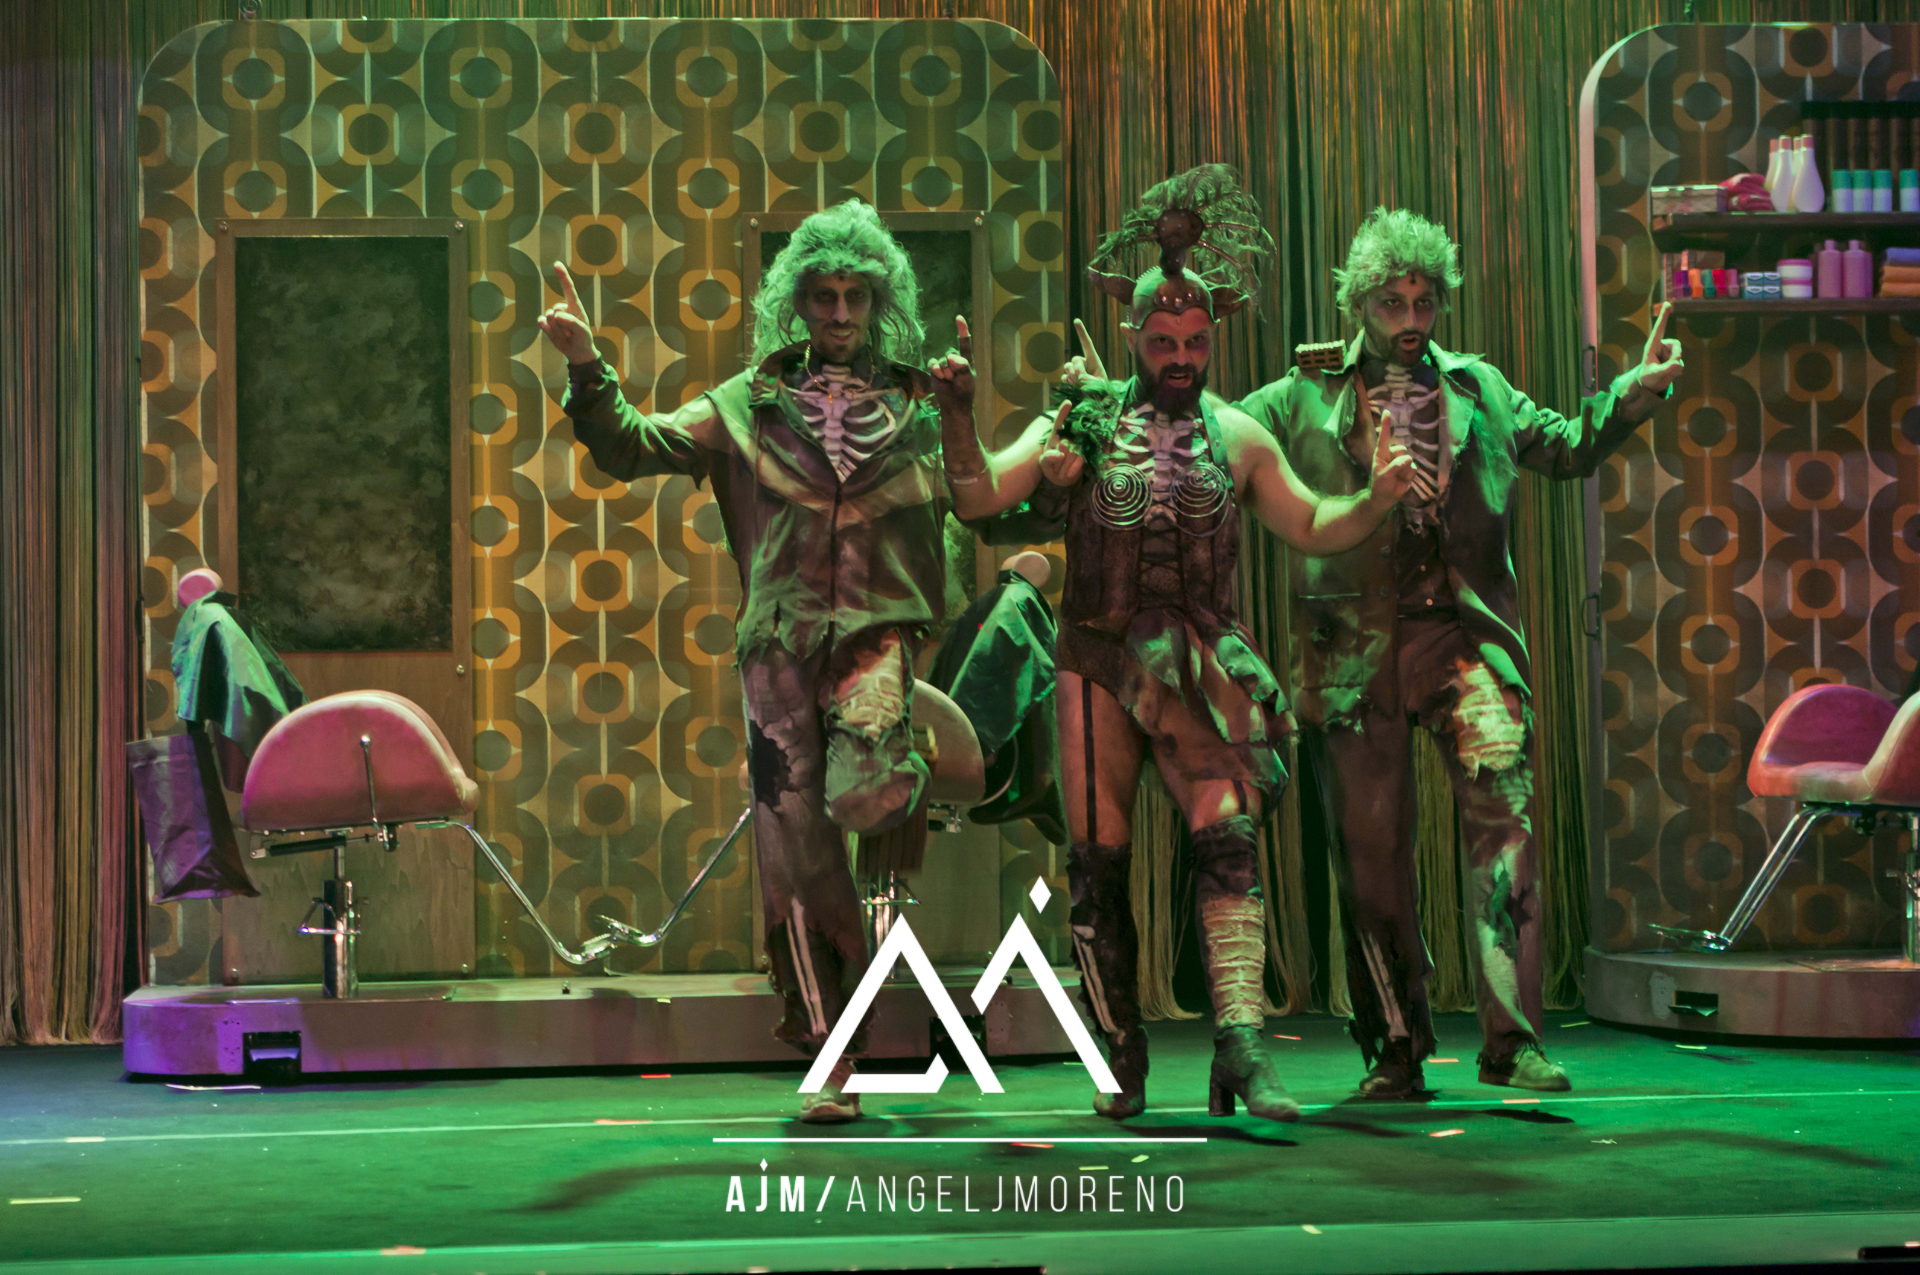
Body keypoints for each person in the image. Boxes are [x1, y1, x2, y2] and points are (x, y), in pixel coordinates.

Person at [932, 166, 1413, 1121]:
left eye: (1195, 342)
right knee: (1097, 855)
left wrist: (1377, 498)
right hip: (1098, 658)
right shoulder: (1080, 423)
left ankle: (1240, 1044)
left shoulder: (1238, 435)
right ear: (1132, 336)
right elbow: (978, 495)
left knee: (1228, 834)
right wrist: (955, 411)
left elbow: (1312, 523)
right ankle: (1120, 1051)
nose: (1181, 357)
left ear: (1212, 338)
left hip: (1200, 657)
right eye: (1163, 342)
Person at [1234, 207, 1683, 1098]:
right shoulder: (1299, 396)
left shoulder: (1480, 387)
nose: (1411, 320)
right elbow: (1214, 439)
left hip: (1462, 635)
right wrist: (1116, 403)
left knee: (1505, 823)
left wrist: (1631, 394)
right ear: (1359, 305)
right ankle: (1395, 1047)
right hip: (1352, 652)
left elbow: (1566, 446)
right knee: (1370, 858)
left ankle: (1513, 1041)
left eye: (1425, 302)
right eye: (1392, 303)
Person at [539, 199, 957, 1123]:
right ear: (797, 303)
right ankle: (832, 1051)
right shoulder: (747, 404)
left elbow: (968, 503)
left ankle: (899, 772)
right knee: (792, 847)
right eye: (823, 296)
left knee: (866, 791)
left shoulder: (916, 405)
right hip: (776, 643)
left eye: (855, 296)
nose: (839, 314)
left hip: (875, 636)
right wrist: (586, 365)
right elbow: (633, 445)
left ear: (878, 301)